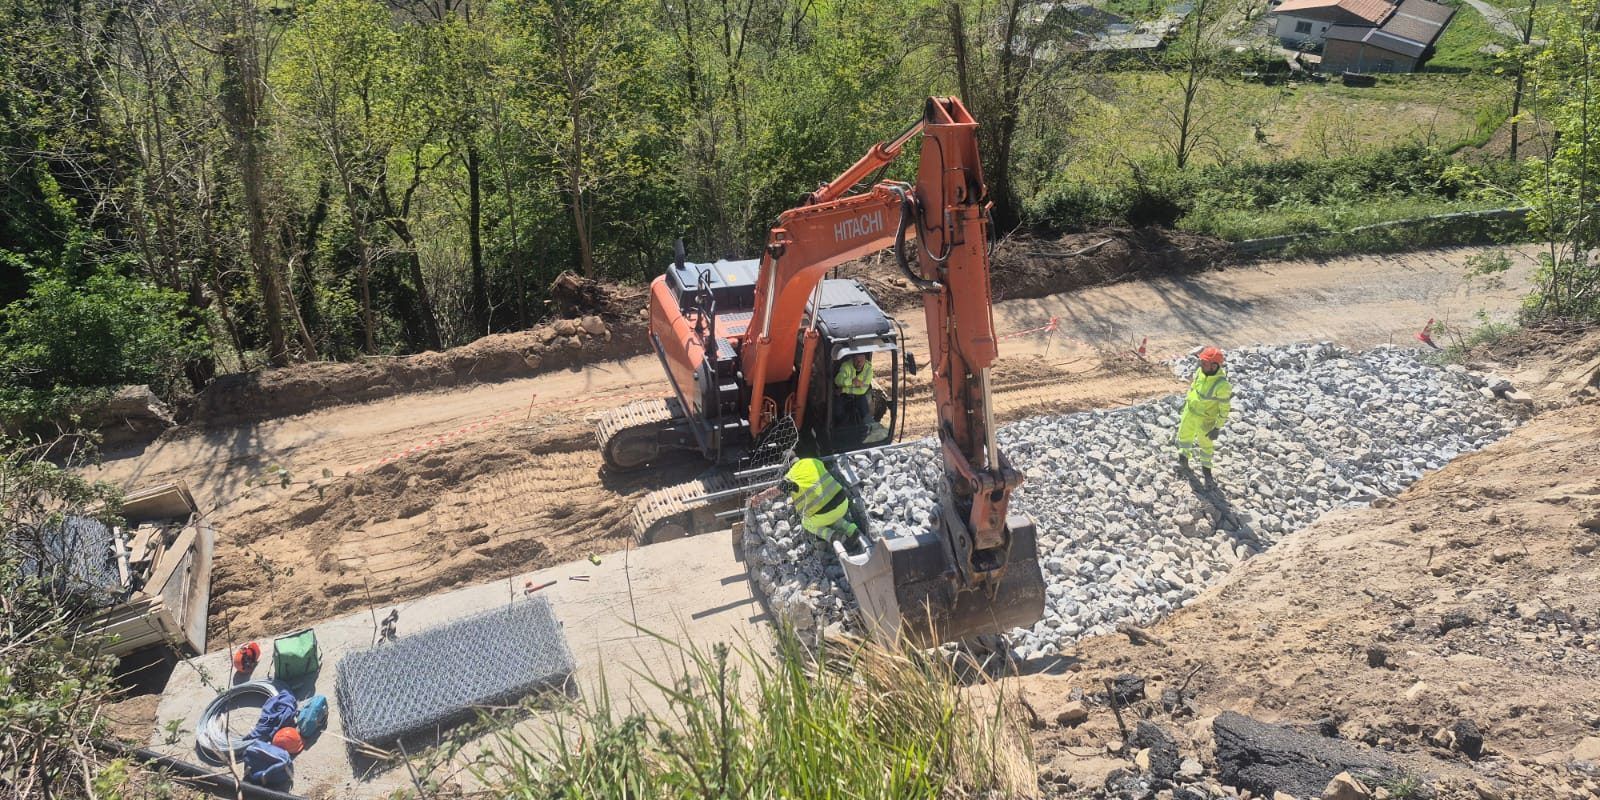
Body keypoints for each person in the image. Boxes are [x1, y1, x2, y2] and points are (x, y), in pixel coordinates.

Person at [760, 455, 860, 542]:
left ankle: (833, 536)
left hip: (824, 514)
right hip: (843, 503)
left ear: (787, 466)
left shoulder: (791, 475)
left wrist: (759, 497)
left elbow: (775, 491)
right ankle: (852, 529)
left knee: (806, 522)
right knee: (832, 516)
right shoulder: (812, 461)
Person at [1176, 346, 1232, 483]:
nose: (1201, 365)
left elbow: (1224, 409)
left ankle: (1207, 471)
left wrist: (1217, 427)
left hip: (1205, 419)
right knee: (1183, 438)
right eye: (1202, 362)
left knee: (1206, 446)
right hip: (1190, 413)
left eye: (1205, 363)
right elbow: (1193, 388)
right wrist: (1186, 403)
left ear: (1214, 365)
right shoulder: (1200, 372)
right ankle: (1183, 462)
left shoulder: (1222, 386)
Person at [834, 353, 873, 425]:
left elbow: (863, 390)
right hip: (843, 396)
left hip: (857, 395)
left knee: (866, 415)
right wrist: (851, 381)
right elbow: (837, 381)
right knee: (837, 412)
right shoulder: (846, 366)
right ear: (852, 359)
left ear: (865, 360)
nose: (859, 363)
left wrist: (844, 389)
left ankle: (868, 427)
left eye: (861, 360)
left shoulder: (869, 370)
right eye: (857, 360)